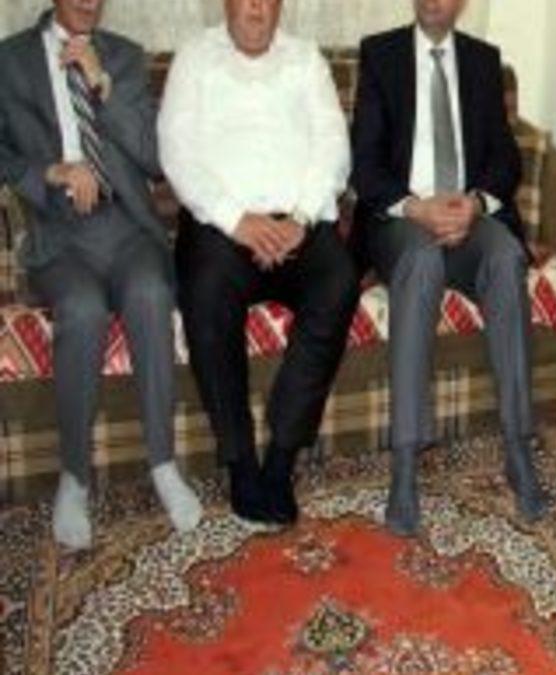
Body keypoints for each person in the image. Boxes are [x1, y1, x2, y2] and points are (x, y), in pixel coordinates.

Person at [0, 0, 202, 548]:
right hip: (60, 233)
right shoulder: (11, 60)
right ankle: (74, 477)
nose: (90, 2)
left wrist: (102, 85)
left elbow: (153, 158)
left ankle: (163, 463)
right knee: (82, 309)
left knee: (152, 292)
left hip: (127, 225)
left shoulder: (125, 57)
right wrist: (49, 171)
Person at [159, 0, 360, 524]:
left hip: (297, 221)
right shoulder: (195, 58)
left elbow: (333, 146)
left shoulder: (306, 59)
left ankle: (282, 456)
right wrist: (236, 220)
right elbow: (176, 151)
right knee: (205, 290)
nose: (256, 8)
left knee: (339, 280)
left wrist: (301, 218)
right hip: (222, 228)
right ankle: (240, 460)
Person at [350, 0, 546, 535]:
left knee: (505, 257)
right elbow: (364, 163)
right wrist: (417, 208)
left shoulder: (483, 60)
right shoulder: (381, 55)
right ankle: (405, 462)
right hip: (403, 219)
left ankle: (517, 445)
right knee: (420, 261)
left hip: (466, 214)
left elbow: (505, 159)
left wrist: (475, 205)